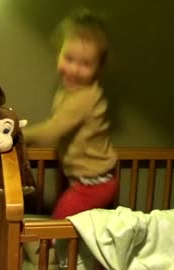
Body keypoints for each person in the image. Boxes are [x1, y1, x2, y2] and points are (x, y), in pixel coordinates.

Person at [24, 8, 118, 220]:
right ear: (59, 52)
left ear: (99, 69)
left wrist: (17, 135)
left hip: (94, 184)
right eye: (69, 58)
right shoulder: (69, 92)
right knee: (82, 229)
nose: (74, 69)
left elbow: (51, 132)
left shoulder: (84, 98)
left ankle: (51, 252)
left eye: (85, 64)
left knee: (59, 225)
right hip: (87, 180)